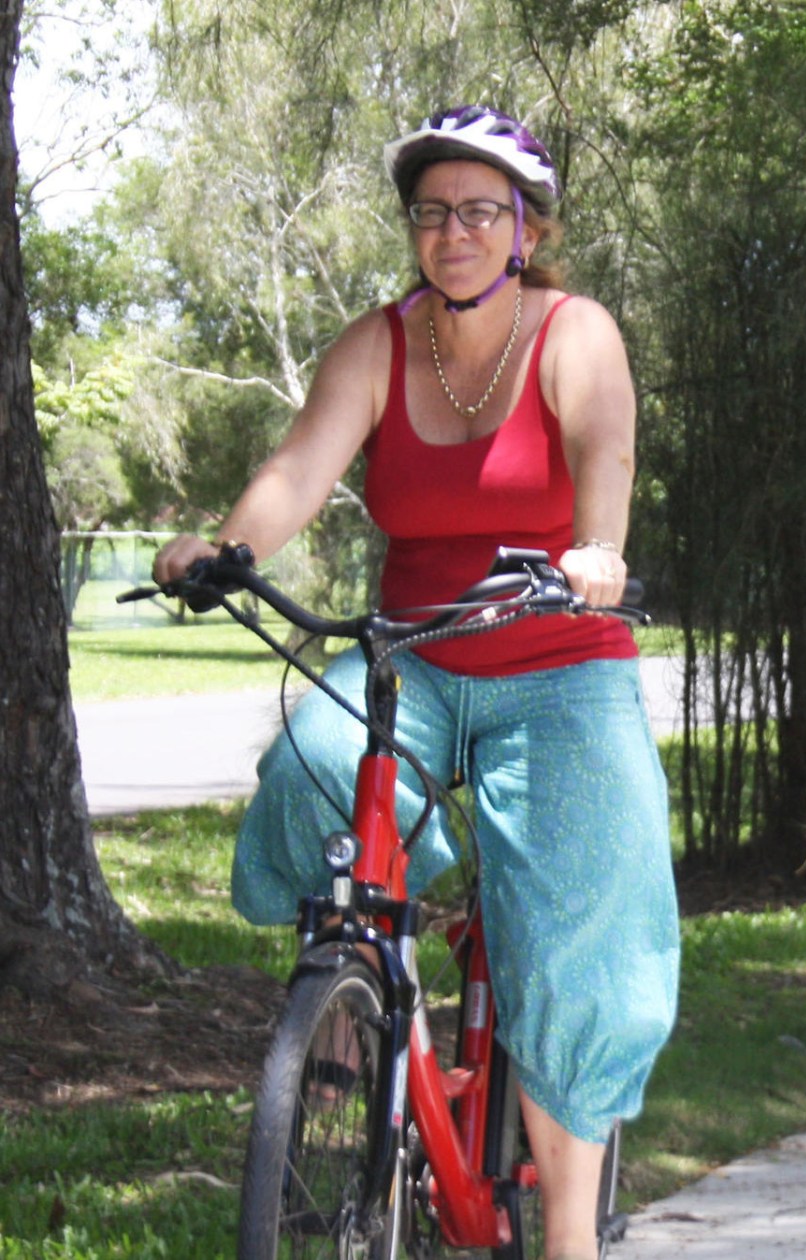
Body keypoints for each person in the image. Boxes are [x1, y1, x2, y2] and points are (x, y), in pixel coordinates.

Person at [153, 105, 679, 1258]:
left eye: (480, 210)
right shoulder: (380, 343)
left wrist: (597, 551)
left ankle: (572, 1237)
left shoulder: (575, 330)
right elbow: (301, 465)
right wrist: (226, 549)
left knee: (585, 937)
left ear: (525, 227)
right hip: (416, 654)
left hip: (556, 659)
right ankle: (367, 967)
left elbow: (607, 446)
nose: (454, 231)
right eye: (433, 211)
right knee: (309, 769)